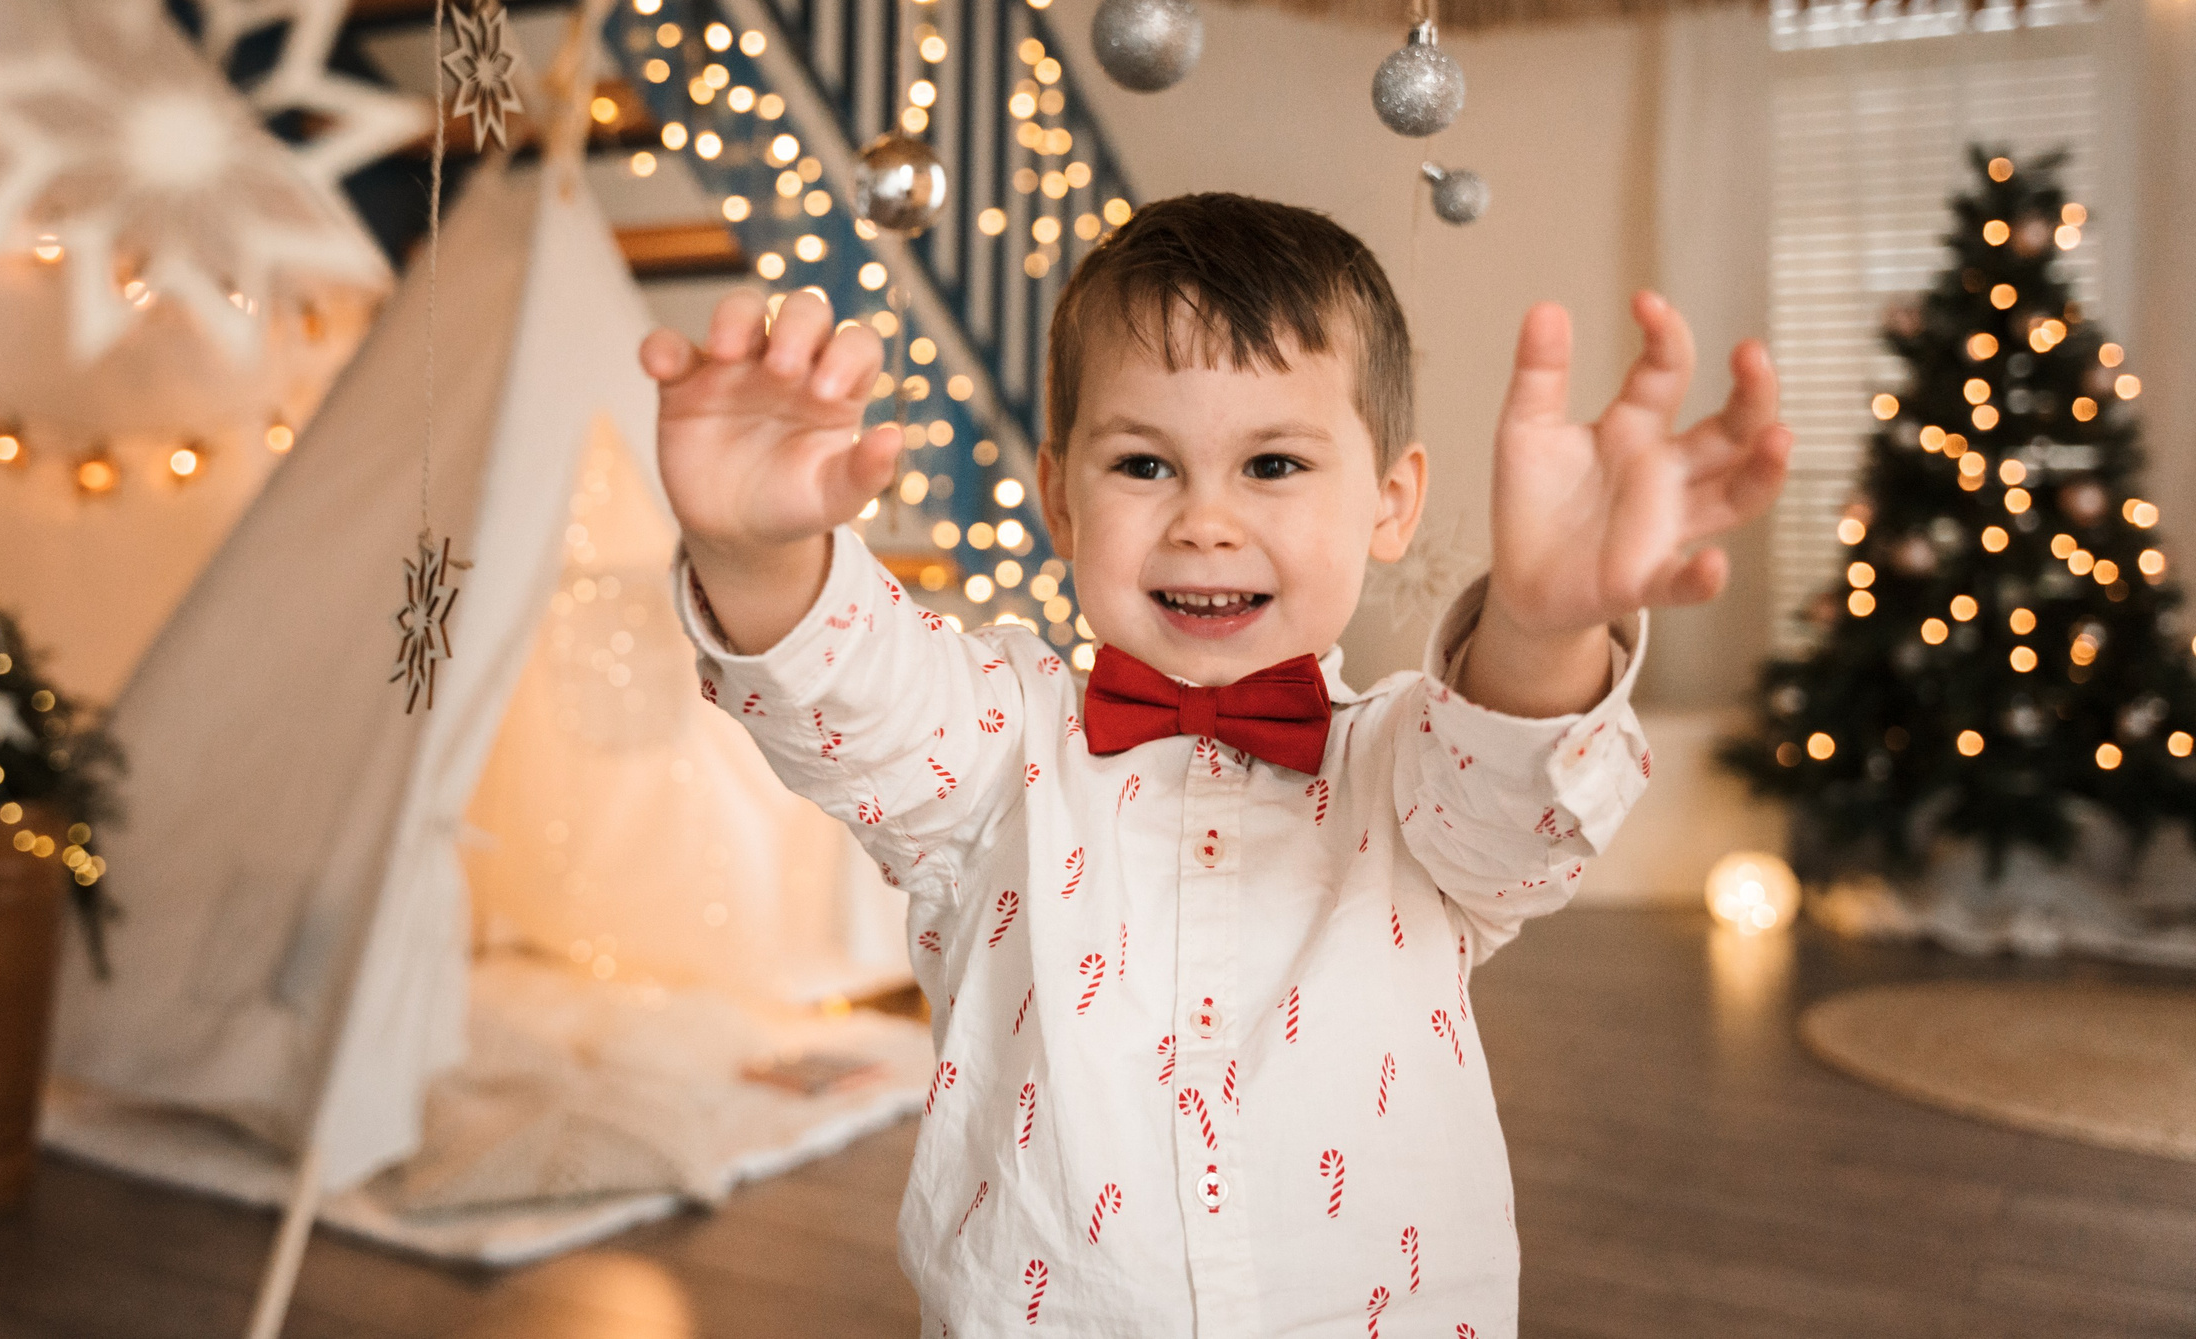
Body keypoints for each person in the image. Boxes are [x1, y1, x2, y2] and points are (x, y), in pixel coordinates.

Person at [638, 193, 1789, 1338]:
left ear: (1389, 504)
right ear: (1061, 500)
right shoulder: (995, 744)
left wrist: (1541, 627)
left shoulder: (1412, 769)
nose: (1204, 520)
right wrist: (753, 551)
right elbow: (854, 691)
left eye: (1272, 464)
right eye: (1144, 465)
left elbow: (1514, 796)